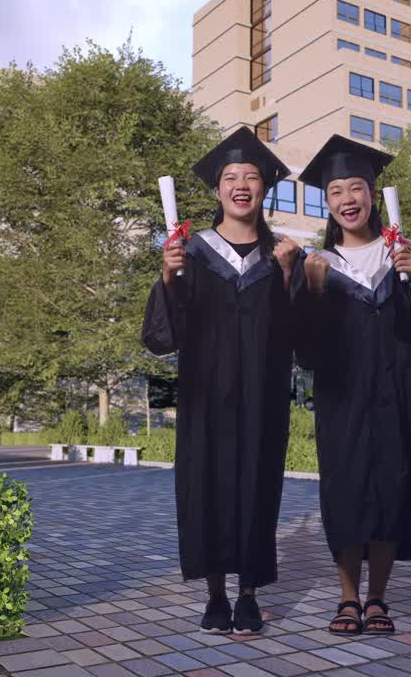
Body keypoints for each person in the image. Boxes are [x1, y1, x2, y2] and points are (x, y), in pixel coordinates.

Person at [141, 126, 302, 635]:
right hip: (205, 394)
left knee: (257, 484)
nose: (241, 185)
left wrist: (287, 276)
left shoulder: (283, 254)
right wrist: (167, 276)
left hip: (262, 395)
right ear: (217, 190)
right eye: (231, 177)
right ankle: (215, 594)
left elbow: (299, 334)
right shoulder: (191, 253)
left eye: (251, 176)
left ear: (264, 188)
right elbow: (163, 336)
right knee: (205, 484)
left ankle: (249, 593)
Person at [295, 135, 411, 636]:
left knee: (391, 486)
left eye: (356, 187)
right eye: (336, 190)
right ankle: (347, 598)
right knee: (345, 491)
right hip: (341, 398)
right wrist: (313, 291)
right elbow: (306, 351)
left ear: (372, 193)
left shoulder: (407, 256)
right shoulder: (317, 265)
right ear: (327, 203)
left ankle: (378, 599)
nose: (347, 198)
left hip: (396, 394)